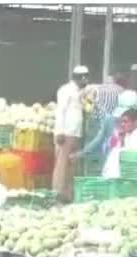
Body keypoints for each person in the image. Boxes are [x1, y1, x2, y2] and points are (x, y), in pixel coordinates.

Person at [53, 66, 89, 202]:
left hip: (76, 133)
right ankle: (57, 195)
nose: (86, 79)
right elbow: (60, 111)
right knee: (62, 166)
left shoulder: (82, 92)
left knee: (72, 167)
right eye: (83, 77)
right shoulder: (65, 90)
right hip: (66, 133)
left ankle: (68, 196)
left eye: (87, 76)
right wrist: (59, 131)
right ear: (77, 78)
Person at [74, 90, 137, 164]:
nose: (122, 123)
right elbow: (98, 140)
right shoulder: (109, 120)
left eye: (126, 121)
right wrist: (81, 153)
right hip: (111, 164)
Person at [102, 109, 137, 178]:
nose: (122, 124)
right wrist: (121, 140)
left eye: (125, 122)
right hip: (133, 170)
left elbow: (130, 156)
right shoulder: (130, 134)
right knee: (115, 151)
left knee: (115, 152)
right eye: (121, 122)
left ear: (136, 122)